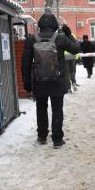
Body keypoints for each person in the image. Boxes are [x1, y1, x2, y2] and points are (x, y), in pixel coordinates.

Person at [21, 10, 80, 148]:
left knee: (41, 107)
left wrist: (27, 82)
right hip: (57, 81)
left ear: (40, 25)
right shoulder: (60, 38)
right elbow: (76, 49)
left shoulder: (31, 39)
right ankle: (57, 140)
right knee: (57, 109)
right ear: (54, 25)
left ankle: (42, 136)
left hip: (39, 81)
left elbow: (25, 62)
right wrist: (69, 33)